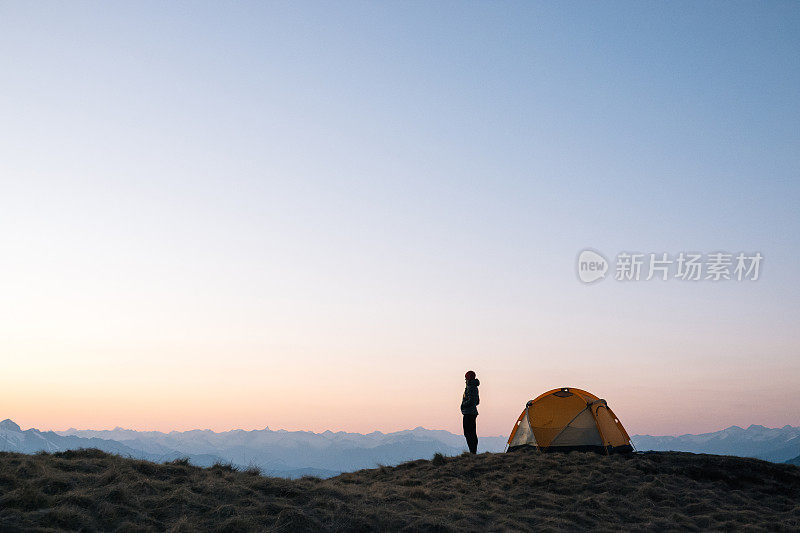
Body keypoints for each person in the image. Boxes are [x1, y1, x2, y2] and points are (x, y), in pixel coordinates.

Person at [460, 370, 480, 454]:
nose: (465, 380)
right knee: (471, 432)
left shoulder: (471, 387)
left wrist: (463, 405)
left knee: (468, 433)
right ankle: (473, 451)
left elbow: (472, 401)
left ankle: (472, 452)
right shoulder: (473, 387)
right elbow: (477, 401)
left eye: (466, 378)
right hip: (471, 413)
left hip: (469, 413)